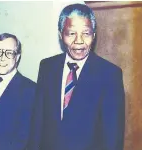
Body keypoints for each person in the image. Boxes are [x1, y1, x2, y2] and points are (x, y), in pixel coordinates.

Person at [28, 3, 125, 150]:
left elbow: (113, 137)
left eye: (86, 33)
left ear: (94, 34)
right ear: (61, 34)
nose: (79, 41)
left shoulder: (109, 74)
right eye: (71, 33)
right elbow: (37, 122)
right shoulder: (47, 67)